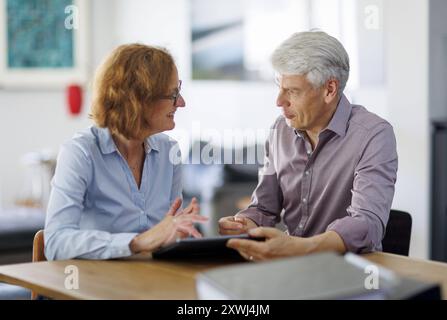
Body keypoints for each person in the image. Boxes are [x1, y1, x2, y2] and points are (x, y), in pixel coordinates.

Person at [219, 31, 398, 261]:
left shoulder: (374, 135)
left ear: (329, 90)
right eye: (279, 86)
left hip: (348, 271)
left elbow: (367, 223)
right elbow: (264, 208)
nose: (279, 101)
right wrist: (244, 224)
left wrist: (299, 247)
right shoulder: (280, 130)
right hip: (290, 267)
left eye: (292, 91)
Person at [44, 44, 207, 260]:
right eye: (173, 94)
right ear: (139, 99)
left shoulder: (170, 151)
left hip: (152, 281)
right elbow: (56, 243)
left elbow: (168, 235)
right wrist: (136, 242)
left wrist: (183, 233)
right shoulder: (80, 152)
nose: (181, 102)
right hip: (93, 285)